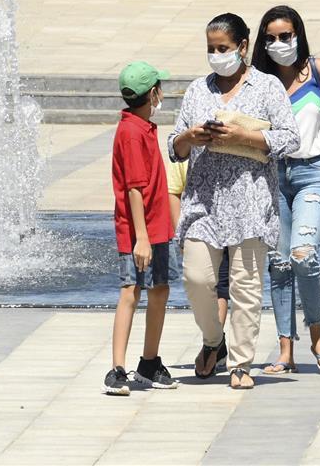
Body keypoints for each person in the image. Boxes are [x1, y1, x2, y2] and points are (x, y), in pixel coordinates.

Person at [168, 13, 300, 390]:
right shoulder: (198, 89)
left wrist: (245, 136)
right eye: (210, 49)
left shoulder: (267, 87)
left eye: (223, 48)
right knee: (196, 277)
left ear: (243, 47)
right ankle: (214, 341)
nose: (216, 55)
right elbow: (174, 145)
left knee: (245, 286)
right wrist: (191, 136)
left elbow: (291, 139)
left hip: (251, 200)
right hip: (203, 201)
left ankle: (241, 362)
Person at [251, 5, 320, 375]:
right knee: (278, 263)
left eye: (286, 36)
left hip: (315, 172)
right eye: (271, 38)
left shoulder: (319, 70)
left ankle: (316, 335)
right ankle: (284, 349)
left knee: (303, 255)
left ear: (298, 35)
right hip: (272, 176)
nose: (279, 44)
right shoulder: (258, 80)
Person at [103, 61, 179, 395]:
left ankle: (149, 361)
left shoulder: (142, 126)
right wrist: (142, 238)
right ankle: (117, 369)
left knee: (159, 288)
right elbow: (134, 188)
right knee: (131, 291)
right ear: (153, 93)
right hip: (139, 231)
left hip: (157, 227)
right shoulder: (132, 132)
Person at [166, 159, 231, 328]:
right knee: (197, 282)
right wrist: (180, 236)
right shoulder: (185, 145)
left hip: (226, 226)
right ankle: (213, 340)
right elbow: (173, 191)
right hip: (194, 229)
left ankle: (213, 345)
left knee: (221, 287)